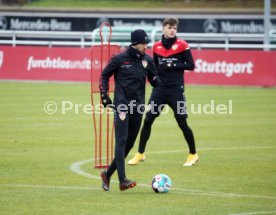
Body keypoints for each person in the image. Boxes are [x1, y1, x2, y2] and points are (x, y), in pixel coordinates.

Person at [128, 18, 199, 167]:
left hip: (176, 91)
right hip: (159, 90)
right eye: (169, 27)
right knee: (148, 120)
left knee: (182, 121)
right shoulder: (156, 46)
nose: (172, 30)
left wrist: (172, 63)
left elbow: (191, 65)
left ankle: (193, 154)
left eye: (174, 28)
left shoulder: (182, 45)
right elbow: (154, 67)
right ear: (163, 29)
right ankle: (140, 153)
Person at [99, 29, 159, 191]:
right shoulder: (119, 59)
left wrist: (158, 79)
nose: (145, 46)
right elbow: (105, 75)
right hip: (122, 105)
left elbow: (153, 80)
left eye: (147, 43)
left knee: (130, 144)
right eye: (143, 43)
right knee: (121, 141)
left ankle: (107, 173)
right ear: (135, 43)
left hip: (138, 106)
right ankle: (122, 180)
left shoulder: (148, 60)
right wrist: (104, 95)